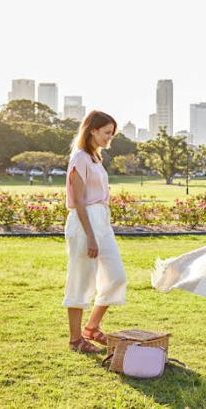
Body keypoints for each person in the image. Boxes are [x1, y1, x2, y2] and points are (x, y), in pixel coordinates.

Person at [63, 110, 127, 354]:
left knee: (116, 276)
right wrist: (90, 235)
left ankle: (91, 327)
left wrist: (101, 227)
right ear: (92, 130)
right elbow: (78, 201)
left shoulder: (95, 158)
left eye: (112, 134)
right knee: (81, 279)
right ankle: (75, 339)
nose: (110, 138)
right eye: (106, 133)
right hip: (84, 222)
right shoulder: (79, 157)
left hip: (102, 221)